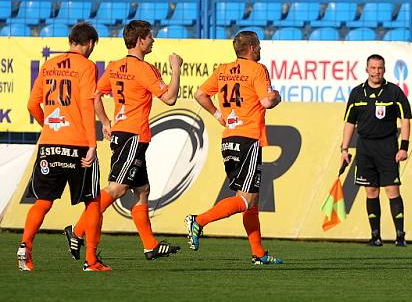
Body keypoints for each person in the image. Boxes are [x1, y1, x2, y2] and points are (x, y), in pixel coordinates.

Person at [64, 20, 183, 261]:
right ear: (140, 40)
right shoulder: (144, 69)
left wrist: (106, 122)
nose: (153, 41)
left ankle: (150, 246)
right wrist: (176, 68)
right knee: (117, 188)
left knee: (142, 191)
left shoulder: (115, 66)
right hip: (133, 136)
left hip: (122, 133)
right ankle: (76, 231)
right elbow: (170, 98)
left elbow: (95, 94)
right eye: (150, 37)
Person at [186, 31, 284, 265]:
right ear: (250, 48)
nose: (260, 49)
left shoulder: (223, 70)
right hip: (248, 138)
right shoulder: (257, 69)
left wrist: (219, 115)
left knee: (252, 201)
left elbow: (200, 94)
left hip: (229, 139)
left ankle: (258, 254)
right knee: (246, 200)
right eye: (258, 45)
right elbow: (267, 102)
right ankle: (198, 220)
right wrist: (277, 95)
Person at [18, 22, 108, 272]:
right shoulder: (87, 66)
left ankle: (25, 248)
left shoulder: (47, 66)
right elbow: (88, 106)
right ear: (89, 44)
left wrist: (46, 125)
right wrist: (92, 144)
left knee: (43, 201)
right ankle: (91, 260)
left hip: (49, 144)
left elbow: (31, 104)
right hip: (78, 145)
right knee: (92, 201)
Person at [341, 54, 412, 247]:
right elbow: (349, 122)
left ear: (384, 69)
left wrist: (404, 147)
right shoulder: (357, 93)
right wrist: (344, 148)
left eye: (379, 68)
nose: (376, 71)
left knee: (392, 189)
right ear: (366, 70)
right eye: (373, 68)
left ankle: (400, 236)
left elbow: (405, 120)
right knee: (371, 191)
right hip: (364, 147)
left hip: (388, 146)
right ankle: (376, 236)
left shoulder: (394, 92)